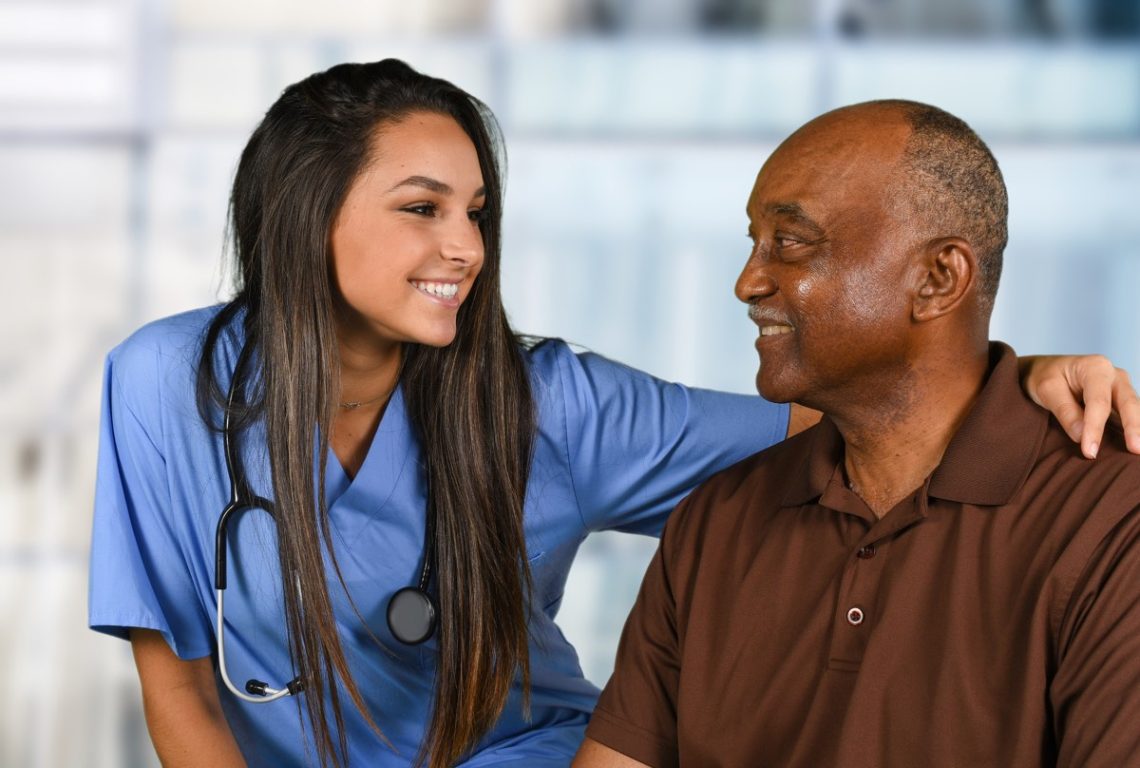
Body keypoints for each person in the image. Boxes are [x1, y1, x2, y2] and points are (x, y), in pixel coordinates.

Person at [86, 61, 1137, 768]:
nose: (467, 248)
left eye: (477, 213)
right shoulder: (163, 384)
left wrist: (1014, 370)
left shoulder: (550, 402)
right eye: (422, 208)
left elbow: (871, 418)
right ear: (304, 211)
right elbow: (177, 678)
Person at [574, 100, 1140, 768]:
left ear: (938, 279)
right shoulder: (715, 522)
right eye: (754, 243)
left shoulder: (1111, 521)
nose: (748, 281)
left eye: (789, 242)